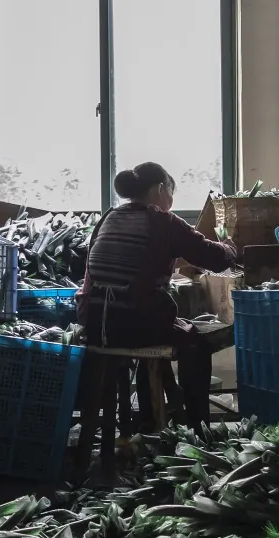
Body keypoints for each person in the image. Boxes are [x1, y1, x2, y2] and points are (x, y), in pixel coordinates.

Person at [77, 161, 239, 425]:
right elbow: (215, 258)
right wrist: (231, 246)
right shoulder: (163, 221)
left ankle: (153, 419)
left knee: (162, 331)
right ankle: (198, 429)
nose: (171, 202)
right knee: (196, 342)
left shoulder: (108, 218)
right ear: (161, 188)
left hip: (96, 325)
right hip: (137, 327)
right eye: (171, 194)